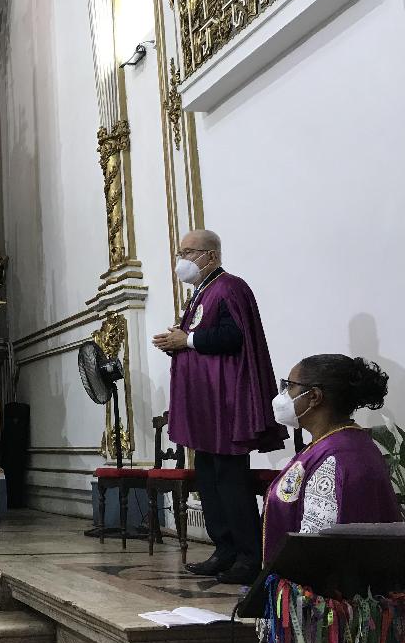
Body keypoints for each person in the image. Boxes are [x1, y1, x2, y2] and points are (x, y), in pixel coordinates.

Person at [153, 230, 286, 585]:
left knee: (230, 479)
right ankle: (223, 550)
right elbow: (201, 338)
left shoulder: (229, 288)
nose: (181, 258)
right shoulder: (201, 293)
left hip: (224, 402)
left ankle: (248, 556)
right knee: (209, 480)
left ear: (210, 256)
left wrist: (189, 340)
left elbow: (234, 336)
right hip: (205, 404)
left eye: (187, 252)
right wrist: (178, 342)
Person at [263, 355, 402, 562]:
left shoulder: (336, 458)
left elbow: (314, 548)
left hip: (321, 589)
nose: (283, 395)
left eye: (289, 386)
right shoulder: (342, 442)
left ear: (314, 397)